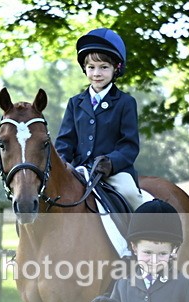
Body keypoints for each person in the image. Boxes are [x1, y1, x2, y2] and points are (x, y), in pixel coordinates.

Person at [55, 27, 145, 210]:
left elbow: (129, 145)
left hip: (114, 173)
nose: (97, 73)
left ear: (116, 68)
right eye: (91, 67)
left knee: (131, 195)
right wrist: (60, 165)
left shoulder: (125, 102)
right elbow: (65, 141)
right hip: (79, 170)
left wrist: (110, 163)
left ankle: (144, 234)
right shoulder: (75, 103)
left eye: (104, 67)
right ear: (85, 69)